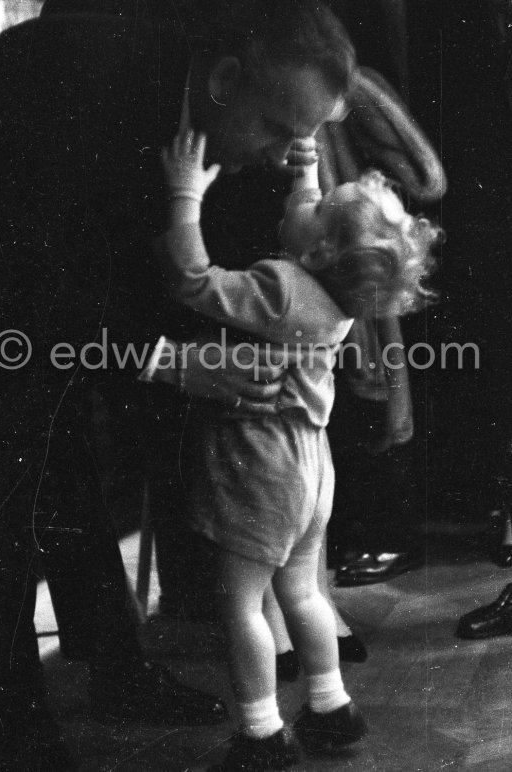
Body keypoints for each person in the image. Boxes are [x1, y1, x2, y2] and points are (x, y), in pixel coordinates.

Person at [0, 2, 363, 768]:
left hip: (44, 279)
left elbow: (145, 261)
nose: (288, 156)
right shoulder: (84, 89)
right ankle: (7, 720)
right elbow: (38, 289)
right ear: (225, 80)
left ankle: (117, 668)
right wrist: (168, 359)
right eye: (281, 131)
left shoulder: (197, 103)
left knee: (63, 449)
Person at [151, 125, 438, 769]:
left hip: (261, 466)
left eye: (312, 213)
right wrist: (307, 162)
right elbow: (308, 217)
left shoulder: (280, 288)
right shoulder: (334, 298)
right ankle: (332, 707)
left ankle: (260, 731)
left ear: (317, 252)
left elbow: (193, 279)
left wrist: (185, 197)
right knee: (304, 592)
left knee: (239, 600)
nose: (299, 205)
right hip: (312, 467)